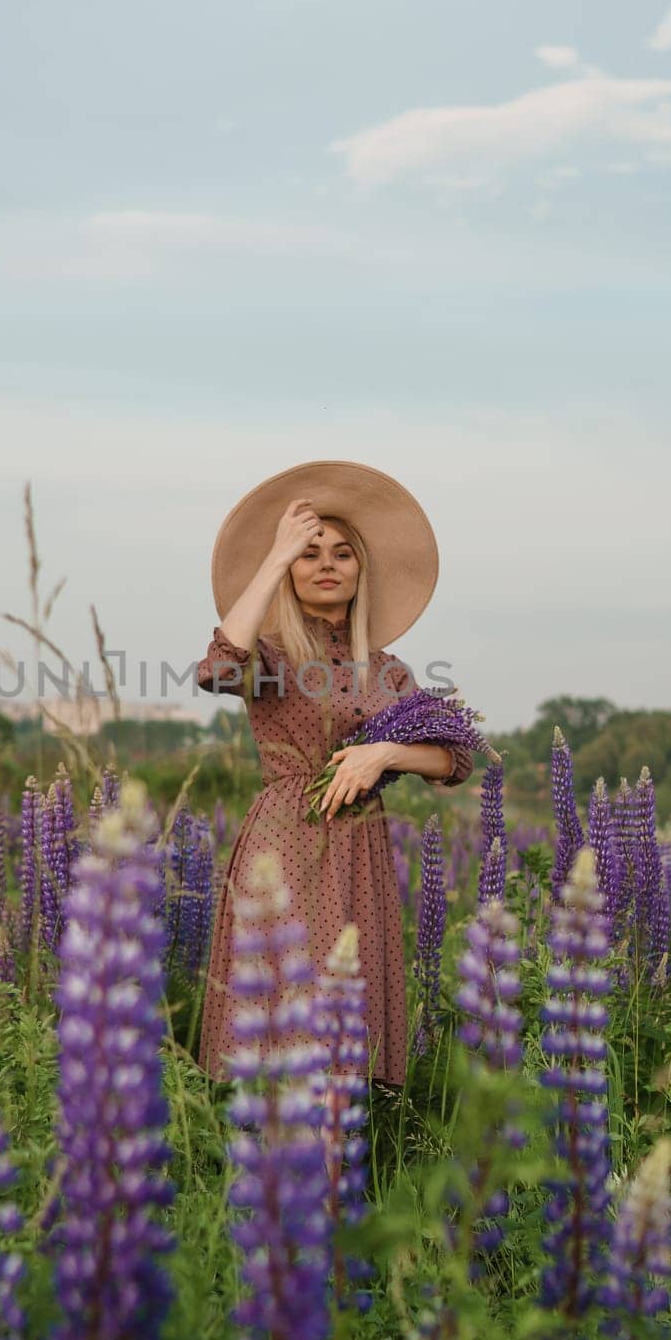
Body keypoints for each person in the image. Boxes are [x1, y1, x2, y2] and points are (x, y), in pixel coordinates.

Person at [194, 459, 474, 1090]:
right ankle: (271, 1170)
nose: (326, 564)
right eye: (309, 554)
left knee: (342, 1023)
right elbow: (216, 668)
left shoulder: (389, 671)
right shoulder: (271, 658)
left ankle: (335, 1178)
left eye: (342, 553)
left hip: (360, 848)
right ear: (289, 570)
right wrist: (273, 555)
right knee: (285, 1021)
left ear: (360, 571)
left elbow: (455, 758)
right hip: (285, 843)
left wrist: (386, 754)